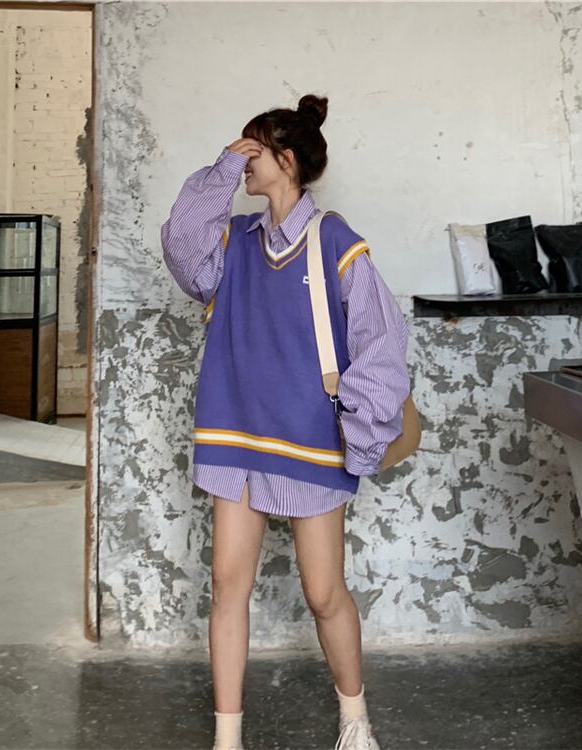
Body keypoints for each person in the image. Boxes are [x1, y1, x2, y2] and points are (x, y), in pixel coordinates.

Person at [161, 94, 411, 750]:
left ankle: (355, 721)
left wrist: (362, 435)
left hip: (308, 439)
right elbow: (180, 246)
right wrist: (222, 168)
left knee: (324, 593)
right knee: (227, 586)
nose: (244, 159)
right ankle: (227, 739)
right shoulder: (233, 242)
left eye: (255, 148)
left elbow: (381, 345)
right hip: (236, 432)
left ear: (288, 159)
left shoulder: (335, 241)